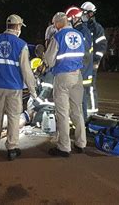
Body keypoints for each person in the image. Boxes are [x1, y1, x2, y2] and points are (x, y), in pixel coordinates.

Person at [0, 14, 37, 161]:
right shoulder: (21, 45)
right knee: (13, 117)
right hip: (14, 88)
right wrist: (32, 90)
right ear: (18, 27)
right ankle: (12, 149)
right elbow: (26, 70)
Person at [43, 12, 86, 157]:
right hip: (77, 75)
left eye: (54, 24)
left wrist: (46, 64)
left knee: (62, 113)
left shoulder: (58, 36)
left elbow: (49, 59)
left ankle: (64, 147)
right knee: (77, 110)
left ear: (58, 23)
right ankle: (81, 143)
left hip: (62, 76)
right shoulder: (78, 35)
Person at [66, 6, 94, 120]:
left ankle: (82, 123)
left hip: (83, 70)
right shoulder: (79, 30)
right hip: (82, 69)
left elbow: (84, 52)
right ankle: (79, 122)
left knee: (80, 99)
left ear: (74, 18)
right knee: (78, 98)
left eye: (69, 20)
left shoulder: (82, 31)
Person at [80, 1, 107, 112]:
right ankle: (85, 110)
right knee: (82, 87)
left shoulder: (97, 28)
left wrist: (96, 61)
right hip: (83, 63)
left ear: (91, 14)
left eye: (84, 13)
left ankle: (92, 111)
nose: (82, 15)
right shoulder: (82, 27)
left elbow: (102, 46)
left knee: (90, 87)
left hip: (91, 63)